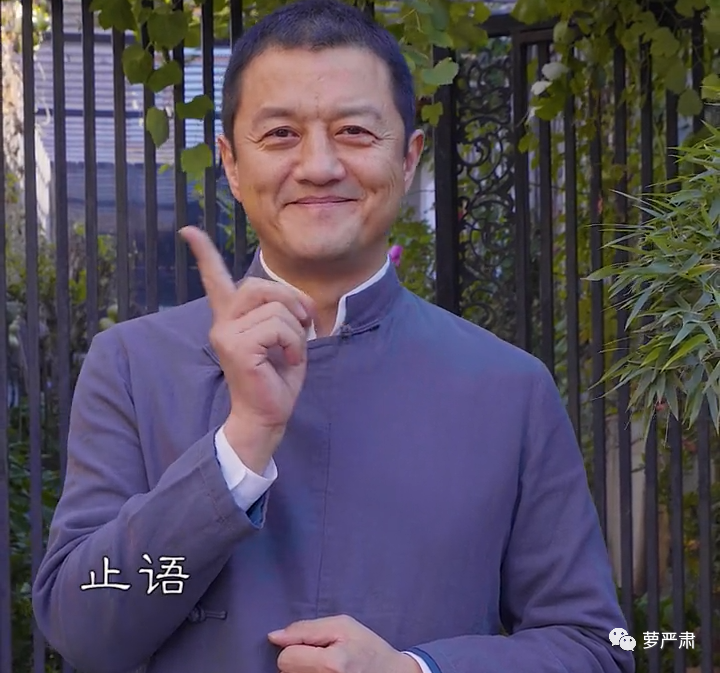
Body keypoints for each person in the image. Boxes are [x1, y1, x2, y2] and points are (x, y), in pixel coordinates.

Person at [32, 1, 635, 672]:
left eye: (353, 131)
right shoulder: (135, 365)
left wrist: (416, 670)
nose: (319, 165)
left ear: (408, 158)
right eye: (280, 134)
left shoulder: (508, 389)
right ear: (232, 165)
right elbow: (82, 627)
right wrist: (241, 445)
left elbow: (598, 646)